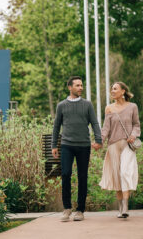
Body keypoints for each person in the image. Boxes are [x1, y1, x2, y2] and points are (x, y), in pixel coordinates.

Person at [52, 76, 102, 222]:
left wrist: (98, 140)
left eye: (81, 85)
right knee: (66, 174)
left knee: (82, 176)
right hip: (67, 145)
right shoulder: (61, 105)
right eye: (78, 85)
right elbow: (56, 126)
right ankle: (67, 208)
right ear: (70, 87)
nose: (81, 88)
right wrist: (54, 145)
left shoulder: (87, 104)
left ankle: (80, 210)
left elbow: (94, 122)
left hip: (84, 145)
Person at [96, 81, 140, 218]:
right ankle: (120, 208)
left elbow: (136, 125)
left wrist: (133, 135)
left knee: (125, 173)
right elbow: (106, 128)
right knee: (116, 176)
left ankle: (126, 206)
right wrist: (99, 141)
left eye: (115, 89)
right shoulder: (109, 108)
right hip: (113, 145)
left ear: (123, 91)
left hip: (127, 144)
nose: (112, 91)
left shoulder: (133, 106)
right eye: (111, 89)